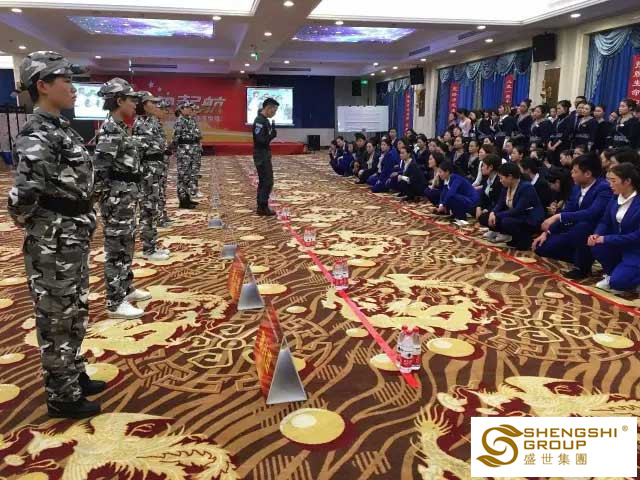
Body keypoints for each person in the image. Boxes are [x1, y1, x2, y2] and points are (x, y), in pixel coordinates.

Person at [8, 51, 105, 419]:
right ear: (43, 86)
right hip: (53, 240)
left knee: (74, 309)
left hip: (71, 235)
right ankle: (61, 395)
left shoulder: (60, 127)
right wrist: (37, 225)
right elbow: (24, 194)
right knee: (55, 317)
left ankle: (74, 374)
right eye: (66, 81)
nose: (73, 88)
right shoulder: (38, 132)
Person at [95, 78, 152, 320]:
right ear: (119, 101)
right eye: (131, 100)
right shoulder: (110, 129)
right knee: (116, 249)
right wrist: (103, 201)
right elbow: (100, 170)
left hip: (126, 197)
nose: (134, 104)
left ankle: (125, 288)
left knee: (126, 246)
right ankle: (114, 301)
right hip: (116, 200)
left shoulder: (119, 127)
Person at [533, 154, 612, 279]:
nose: (571, 174)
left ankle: (582, 267)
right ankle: (577, 255)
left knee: (582, 227)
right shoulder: (576, 187)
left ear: (588, 174)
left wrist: (558, 216)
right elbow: (568, 210)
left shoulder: (603, 188)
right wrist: (547, 232)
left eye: (575, 171)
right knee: (541, 247)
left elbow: (592, 213)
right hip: (572, 229)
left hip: (593, 230)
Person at [589, 162, 640, 293]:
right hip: (618, 244)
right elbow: (604, 221)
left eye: (613, 181)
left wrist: (606, 239)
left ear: (627, 181)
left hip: (635, 249)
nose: (610, 184)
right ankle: (611, 273)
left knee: (618, 283)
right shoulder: (615, 198)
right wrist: (597, 234)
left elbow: (636, 236)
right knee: (597, 245)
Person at [132, 91, 170, 261]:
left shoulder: (151, 121)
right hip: (147, 172)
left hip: (155, 170)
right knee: (147, 209)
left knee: (152, 208)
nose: (156, 105)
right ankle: (148, 249)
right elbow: (139, 152)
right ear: (142, 104)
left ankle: (152, 245)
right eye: (151, 102)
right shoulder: (140, 123)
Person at [478, 162, 545, 249]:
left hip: (529, 217)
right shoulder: (506, 186)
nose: (500, 180)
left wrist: (496, 215)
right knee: (484, 217)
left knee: (506, 221)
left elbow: (518, 210)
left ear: (510, 177)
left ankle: (525, 238)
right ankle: (506, 234)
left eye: (501, 178)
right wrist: (492, 213)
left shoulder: (526, 187)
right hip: (516, 215)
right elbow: (500, 203)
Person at [252, 97, 279, 215]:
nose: (274, 113)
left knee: (264, 180)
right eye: (274, 110)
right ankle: (262, 206)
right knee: (267, 181)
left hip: (264, 153)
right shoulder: (259, 121)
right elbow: (260, 140)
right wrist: (271, 136)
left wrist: (271, 135)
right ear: (268, 108)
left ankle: (262, 206)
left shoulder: (265, 120)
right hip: (261, 154)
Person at [173, 102, 199, 209]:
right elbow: (176, 137)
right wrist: (176, 150)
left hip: (191, 150)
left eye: (189, 107)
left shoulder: (189, 120)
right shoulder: (179, 121)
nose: (189, 109)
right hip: (184, 151)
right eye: (187, 107)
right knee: (183, 176)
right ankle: (183, 201)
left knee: (189, 175)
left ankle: (187, 198)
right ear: (181, 109)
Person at [475, 154, 504, 228]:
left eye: (483, 166)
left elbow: (498, 201)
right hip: (487, 205)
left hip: (496, 209)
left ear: (491, 167)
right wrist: (479, 207)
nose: (481, 168)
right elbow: (482, 196)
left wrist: (487, 209)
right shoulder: (486, 178)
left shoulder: (499, 181)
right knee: (472, 207)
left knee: (483, 217)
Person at [548, 100, 573, 166]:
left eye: (559, 108)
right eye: (557, 108)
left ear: (565, 109)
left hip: (562, 145)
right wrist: (550, 143)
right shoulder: (557, 120)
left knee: (560, 163)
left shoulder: (569, 119)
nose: (557, 110)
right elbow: (552, 132)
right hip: (553, 144)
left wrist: (555, 146)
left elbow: (566, 134)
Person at [188, 105, 204, 199]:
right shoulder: (187, 121)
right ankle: (193, 191)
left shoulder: (192, 121)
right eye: (195, 110)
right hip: (190, 150)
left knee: (195, 171)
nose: (197, 112)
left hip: (195, 149)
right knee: (191, 171)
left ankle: (194, 190)